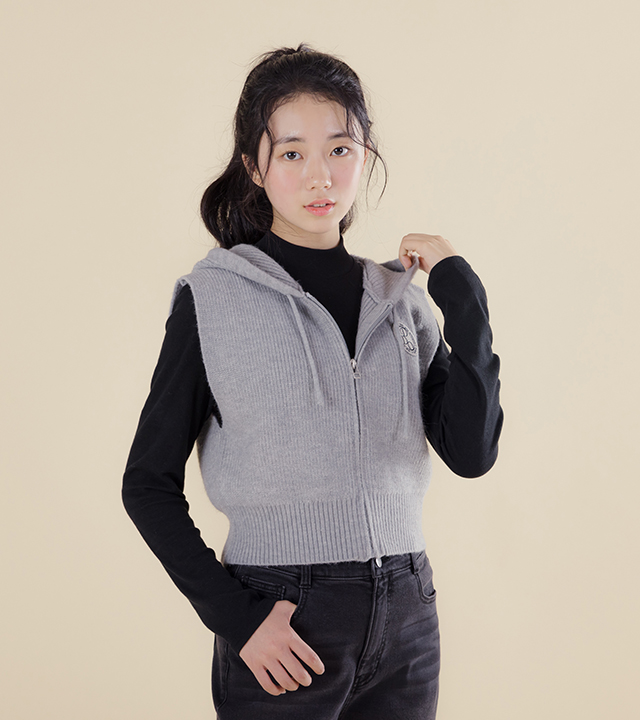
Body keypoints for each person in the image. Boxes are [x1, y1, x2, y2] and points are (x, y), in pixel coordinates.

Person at [122, 42, 503, 720]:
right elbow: (146, 483)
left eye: (340, 149)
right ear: (254, 167)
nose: (320, 176)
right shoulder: (214, 299)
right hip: (284, 617)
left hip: (408, 615)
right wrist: (238, 619)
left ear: (366, 156)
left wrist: (463, 297)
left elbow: (472, 455)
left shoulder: (403, 305)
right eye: (292, 153)